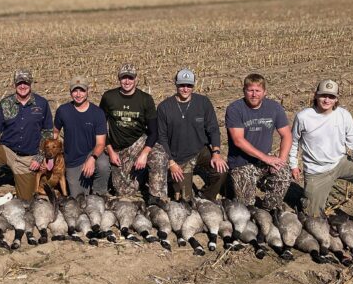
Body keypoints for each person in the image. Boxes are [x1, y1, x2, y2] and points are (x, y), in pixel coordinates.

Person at [289, 79, 353, 234]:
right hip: (316, 170)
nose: (327, 100)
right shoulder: (304, 117)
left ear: (336, 99)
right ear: (316, 95)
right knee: (311, 218)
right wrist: (293, 164)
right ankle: (311, 206)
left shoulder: (343, 115)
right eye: (323, 96)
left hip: (340, 163)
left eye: (331, 97)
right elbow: (293, 142)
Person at [0, 69, 53, 200]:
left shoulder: (42, 103)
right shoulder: (5, 103)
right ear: (14, 84)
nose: (22, 86)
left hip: (28, 158)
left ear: (30, 83)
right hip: (7, 151)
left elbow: (47, 133)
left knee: (26, 200)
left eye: (26, 83)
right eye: (19, 83)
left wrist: (39, 156)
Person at [99, 63, 167, 200]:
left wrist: (144, 154)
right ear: (119, 79)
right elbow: (100, 127)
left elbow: (154, 132)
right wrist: (111, 151)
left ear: (136, 79)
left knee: (160, 155)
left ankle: (156, 197)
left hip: (138, 143)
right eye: (124, 77)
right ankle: (140, 178)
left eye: (130, 77)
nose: (127, 81)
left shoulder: (146, 99)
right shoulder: (108, 97)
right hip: (118, 148)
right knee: (124, 193)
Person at [157, 69, 228, 202]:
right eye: (182, 85)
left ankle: (206, 197)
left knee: (221, 170)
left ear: (194, 85)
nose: (185, 89)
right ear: (176, 84)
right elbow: (162, 137)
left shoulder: (203, 102)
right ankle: (179, 190)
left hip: (200, 150)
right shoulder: (164, 107)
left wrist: (216, 153)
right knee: (185, 199)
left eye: (189, 85)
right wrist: (171, 163)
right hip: (179, 156)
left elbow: (213, 129)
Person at [225, 73, 292, 210]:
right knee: (246, 206)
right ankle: (239, 196)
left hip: (264, 160)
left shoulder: (274, 108)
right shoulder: (235, 109)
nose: (254, 94)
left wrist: (280, 161)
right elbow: (238, 140)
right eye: (250, 90)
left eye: (258, 91)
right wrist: (267, 158)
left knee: (284, 174)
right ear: (244, 91)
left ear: (265, 92)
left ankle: (270, 209)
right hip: (241, 163)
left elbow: (287, 136)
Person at [53, 76, 110, 196]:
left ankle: (99, 194)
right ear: (70, 92)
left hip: (91, 153)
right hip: (72, 159)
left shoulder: (97, 113)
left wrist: (92, 158)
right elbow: (54, 133)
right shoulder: (63, 111)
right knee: (78, 198)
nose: (78, 94)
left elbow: (100, 143)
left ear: (88, 91)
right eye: (75, 90)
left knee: (103, 165)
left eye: (82, 90)